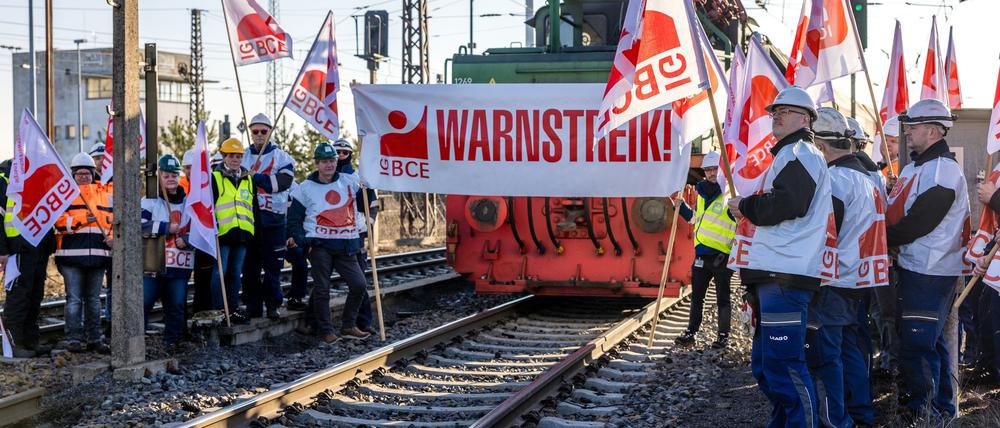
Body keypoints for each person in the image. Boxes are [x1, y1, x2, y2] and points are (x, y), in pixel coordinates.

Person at [726, 86, 832, 428]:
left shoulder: (799, 153)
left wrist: (745, 206)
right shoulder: (791, 154)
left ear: (805, 118)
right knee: (766, 365)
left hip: (786, 273)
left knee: (784, 364)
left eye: (784, 111)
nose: (776, 116)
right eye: (774, 112)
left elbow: (788, 204)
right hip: (776, 271)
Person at [886, 98, 969, 421]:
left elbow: (920, 221)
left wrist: (882, 240)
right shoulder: (916, 167)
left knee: (919, 345)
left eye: (913, 126)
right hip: (914, 267)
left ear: (933, 131)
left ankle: (927, 414)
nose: (907, 131)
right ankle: (936, 410)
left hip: (930, 272)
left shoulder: (944, 172)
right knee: (928, 344)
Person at [806, 109, 886, 427]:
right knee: (851, 351)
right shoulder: (866, 180)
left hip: (833, 281)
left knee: (828, 358)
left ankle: (837, 421)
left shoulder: (835, 181)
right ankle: (860, 414)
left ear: (821, 146)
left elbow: (826, 231)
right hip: (857, 280)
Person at [287, 142, 370, 343]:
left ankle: (349, 326)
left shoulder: (350, 182)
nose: (329, 165)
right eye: (324, 161)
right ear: (317, 164)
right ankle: (326, 330)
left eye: (332, 160)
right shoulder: (305, 188)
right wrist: (302, 239)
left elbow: (364, 203)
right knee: (322, 289)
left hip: (346, 245)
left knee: (359, 285)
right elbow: (294, 219)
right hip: (320, 246)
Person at [51, 154, 113, 354]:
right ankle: (73, 339)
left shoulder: (105, 195)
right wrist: (82, 219)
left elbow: (112, 221)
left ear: (94, 173)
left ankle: (95, 339)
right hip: (71, 256)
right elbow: (58, 221)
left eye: (87, 172)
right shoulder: (64, 194)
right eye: (80, 173)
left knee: (94, 300)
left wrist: (112, 238)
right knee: (74, 299)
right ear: (73, 174)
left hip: (98, 256)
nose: (84, 176)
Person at [674, 151, 736, 349]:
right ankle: (691, 332)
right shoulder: (701, 194)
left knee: (722, 299)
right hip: (701, 255)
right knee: (697, 298)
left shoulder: (729, 193)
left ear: (722, 170)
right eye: (708, 170)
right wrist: (680, 205)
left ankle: (723, 336)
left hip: (722, 256)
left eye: (714, 169)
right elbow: (695, 219)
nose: (711, 173)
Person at [0, 159, 57, 358]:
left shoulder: (37, 180)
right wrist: (3, 250)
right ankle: (14, 344)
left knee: (35, 295)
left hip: (38, 248)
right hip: (18, 248)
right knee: (19, 297)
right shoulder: (5, 179)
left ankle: (30, 342)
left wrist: (50, 245)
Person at [241, 113, 295, 321]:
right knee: (250, 268)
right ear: (250, 133)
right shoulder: (243, 156)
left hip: (274, 220)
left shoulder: (283, 158)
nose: (259, 135)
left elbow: (279, 184)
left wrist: (255, 177)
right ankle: (252, 307)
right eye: (255, 131)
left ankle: (273, 305)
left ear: (270, 132)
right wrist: (262, 180)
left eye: (264, 131)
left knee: (273, 267)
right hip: (249, 221)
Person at [141, 154, 193, 350]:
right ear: (159, 177)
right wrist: (165, 228)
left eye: (174, 175)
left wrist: (187, 240)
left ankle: (172, 341)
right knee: (144, 303)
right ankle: (139, 342)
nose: (171, 179)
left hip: (180, 264)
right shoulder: (149, 201)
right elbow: (140, 226)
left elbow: (201, 229)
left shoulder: (190, 202)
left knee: (177, 305)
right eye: (166, 176)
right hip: (154, 265)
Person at [333, 139, 378, 334]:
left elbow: (373, 207)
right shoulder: (325, 178)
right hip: (330, 235)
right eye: (338, 152)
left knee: (359, 281)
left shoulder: (360, 179)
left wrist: (368, 226)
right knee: (322, 282)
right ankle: (312, 324)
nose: (341, 155)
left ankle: (364, 322)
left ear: (350, 154)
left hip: (354, 234)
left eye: (345, 152)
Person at [211, 137, 255, 324]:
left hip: (242, 234)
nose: (235, 159)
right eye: (231, 156)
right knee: (219, 273)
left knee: (235, 273)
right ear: (224, 156)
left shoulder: (248, 179)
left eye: (238, 156)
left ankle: (232, 309)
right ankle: (219, 310)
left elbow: (252, 206)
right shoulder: (215, 177)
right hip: (222, 233)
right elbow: (210, 205)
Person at [283, 180, 310, 312]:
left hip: (291, 233)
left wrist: (293, 235)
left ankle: (295, 298)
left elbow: (298, 216)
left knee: (300, 262)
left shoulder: (296, 188)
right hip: (270, 231)